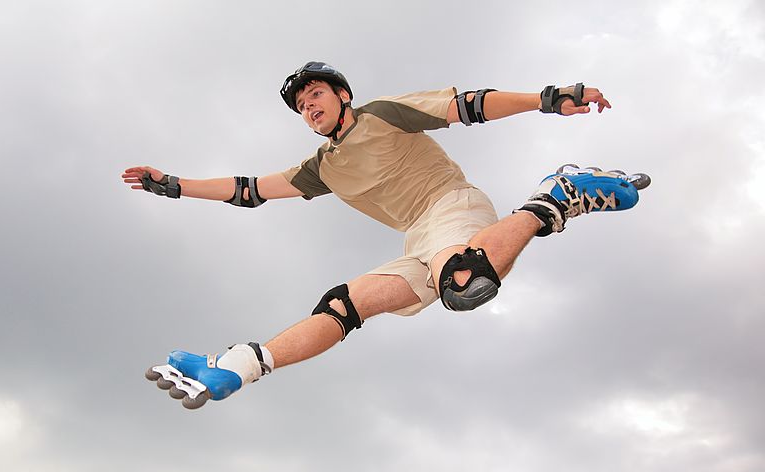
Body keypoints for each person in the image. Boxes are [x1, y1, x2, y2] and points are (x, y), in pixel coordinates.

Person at [123, 62, 649, 409]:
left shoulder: (380, 115)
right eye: (302, 104)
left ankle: (559, 195)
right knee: (344, 304)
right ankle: (241, 363)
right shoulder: (321, 168)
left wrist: (546, 98)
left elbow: (468, 105)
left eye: (317, 94)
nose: (310, 105)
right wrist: (172, 186)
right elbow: (249, 190)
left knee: (463, 277)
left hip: (451, 206)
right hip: (417, 239)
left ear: (342, 96)